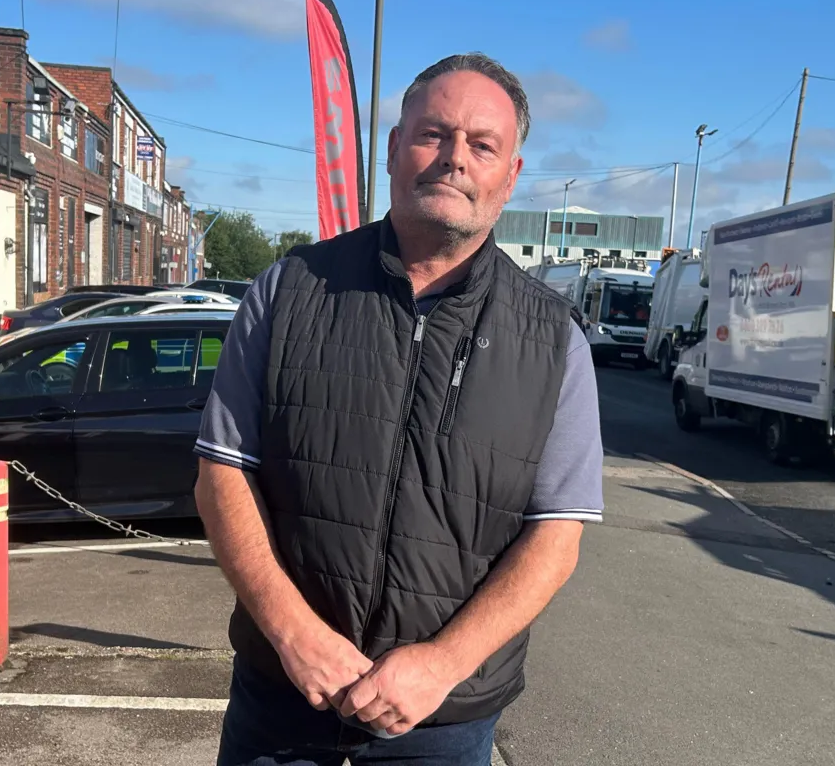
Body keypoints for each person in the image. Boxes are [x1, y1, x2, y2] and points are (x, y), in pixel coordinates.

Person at [194, 53, 604, 766]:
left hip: (444, 724)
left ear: (510, 175)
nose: (453, 160)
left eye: (482, 145)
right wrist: (294, 634)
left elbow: (556, 537)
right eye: (432, 134)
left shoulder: (554, 340)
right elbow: (222, 475)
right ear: (391, 149)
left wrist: (442, 663)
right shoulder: (288, 293)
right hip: (284, 703)